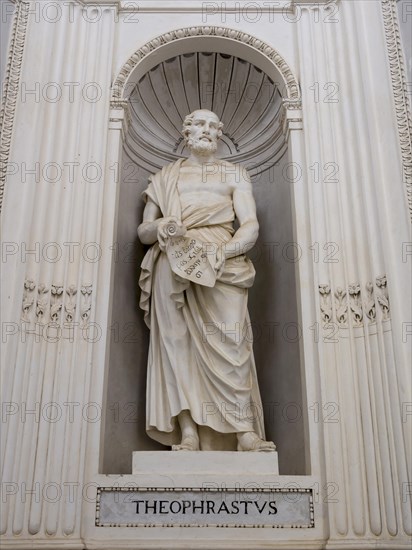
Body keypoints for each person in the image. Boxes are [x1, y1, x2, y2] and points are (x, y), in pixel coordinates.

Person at [137, 109, 276, 452]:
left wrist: (224, 252)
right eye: (200, 124)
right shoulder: (164, 177)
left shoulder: (234, 174)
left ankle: (244, 432)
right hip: (174, 261)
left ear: (220, 133)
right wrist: (162, 227)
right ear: (186, 131)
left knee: (232, 343)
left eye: (214, 125)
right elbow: (143, 231)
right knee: (176, 345)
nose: (207, 130)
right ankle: (188, 434)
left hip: (222, 262)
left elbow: (250, 225)